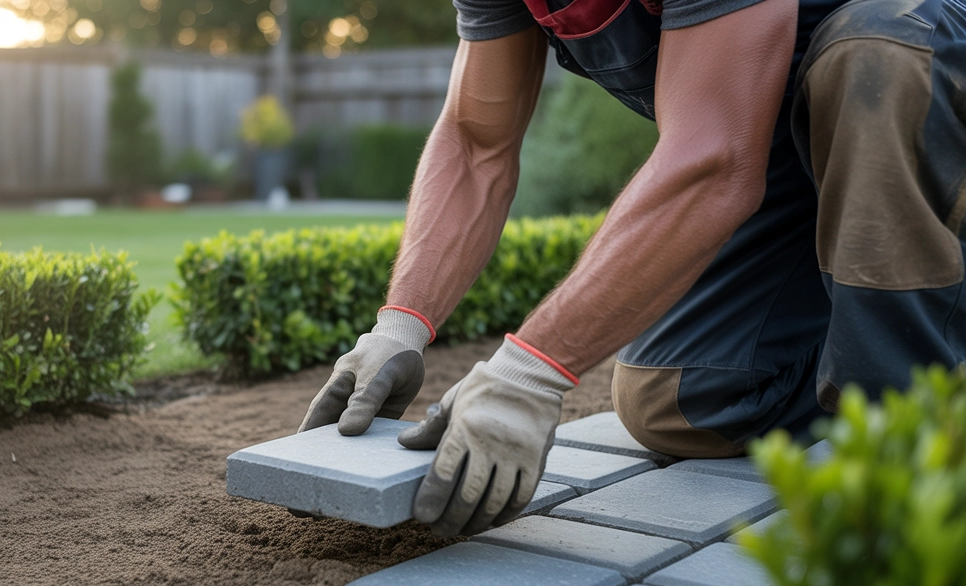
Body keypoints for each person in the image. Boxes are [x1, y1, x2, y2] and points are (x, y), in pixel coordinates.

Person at [300, 0, 966, 537]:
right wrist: (401, 324)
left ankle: (910, 458)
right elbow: (477, 143)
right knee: (684, 398)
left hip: (925, 82)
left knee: (877, 49)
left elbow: (711, 164)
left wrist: (525, 372)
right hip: (795, 143)